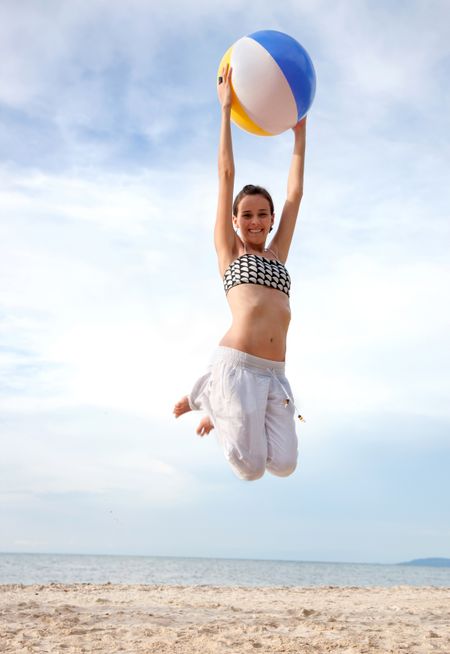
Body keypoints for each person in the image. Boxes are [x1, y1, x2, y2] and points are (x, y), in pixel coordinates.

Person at [173, 64, 306, 481]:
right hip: (236, 366)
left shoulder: (278, 254)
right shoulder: (230, 253)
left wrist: (300, 134)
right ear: (235, 220)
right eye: (246, 215)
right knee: (249, 470)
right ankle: (213, 393)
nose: (255, 221)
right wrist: (226, 109)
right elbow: (225, 174)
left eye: (262, 215)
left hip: (275, 374)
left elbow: (295, 194)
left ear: (269, 221)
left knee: (283, 465)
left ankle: (221, 407)